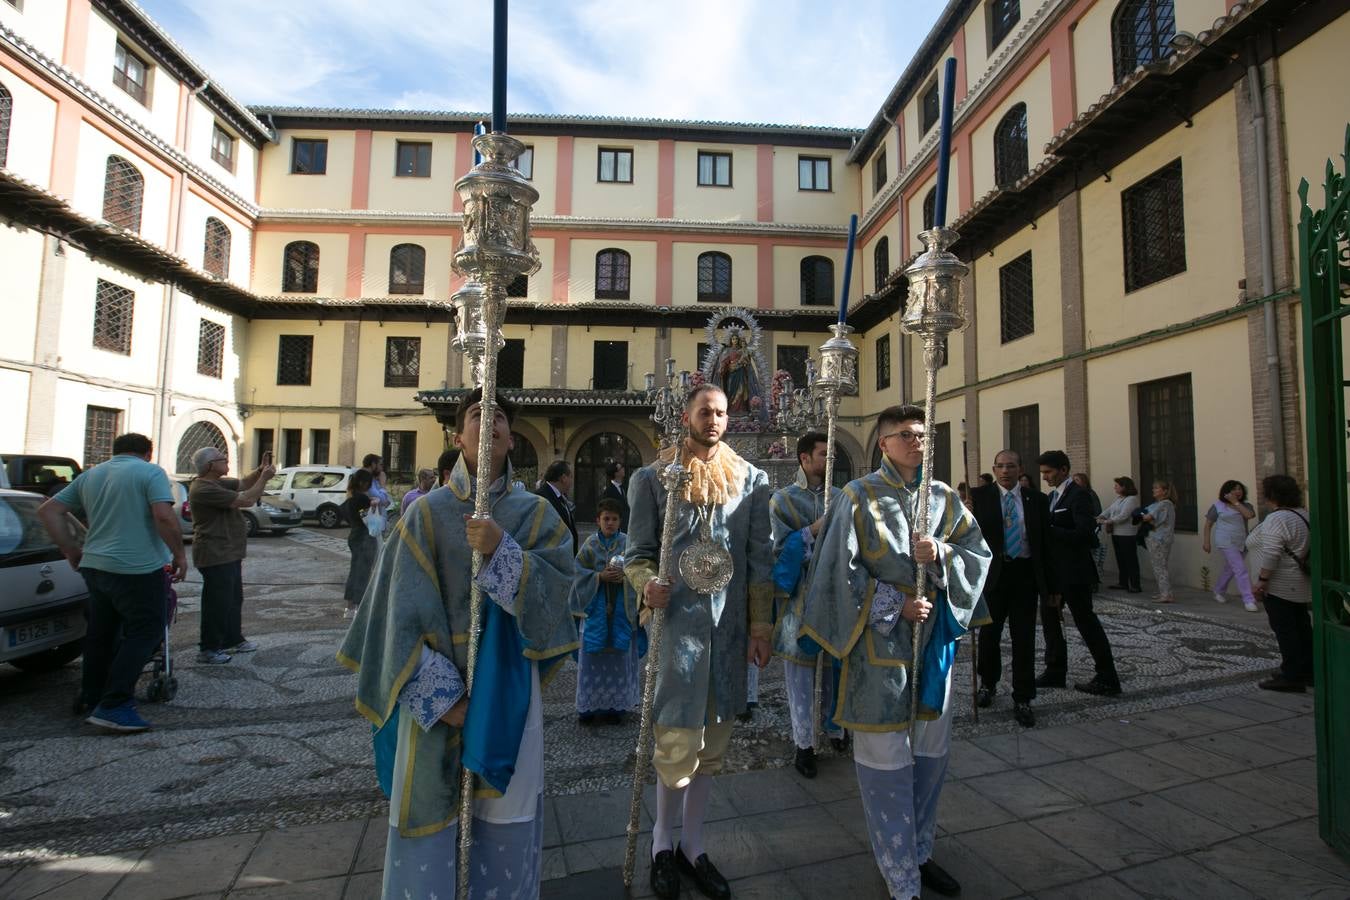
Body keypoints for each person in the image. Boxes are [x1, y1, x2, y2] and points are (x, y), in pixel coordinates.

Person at [337, 388, 576, 899]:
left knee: (507, 816)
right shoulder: (424, 515)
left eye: (499, 417)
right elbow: (392, 620)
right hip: (436, 704)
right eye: (475, 413)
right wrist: (448, 701)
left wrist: (501, 550)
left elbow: (559, 595)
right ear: (457, 435)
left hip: (510, 700)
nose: (487, 422)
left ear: (512, 438)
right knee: (428, 817)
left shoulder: (538, 517)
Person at [801, 404, 991, 900]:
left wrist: (944, 556)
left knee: (930, 754)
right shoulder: (857, 497)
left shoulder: (946, 499)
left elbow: (978, 552)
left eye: (921, 434)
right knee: (886, 758)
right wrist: (893, 603)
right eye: (903, 434)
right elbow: (833, 573)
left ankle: (921, 851)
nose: (914, 442)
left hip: (933, 649)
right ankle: (898, 868)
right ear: (882, 444)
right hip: (877, 648)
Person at [625, 383, 773, 900]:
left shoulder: (751, 481)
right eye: (705, 411)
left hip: (728, 631)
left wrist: (760, 627)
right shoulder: (653, 480)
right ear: (686, 416)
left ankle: (694, 844)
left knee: (713, 744)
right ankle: (661, 845)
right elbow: (636, 552)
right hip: (678, 630)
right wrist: (646, 583)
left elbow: (759, 559)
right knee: (677, 740)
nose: (714, 420)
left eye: (722, 413)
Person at [36, 433, 186, 734]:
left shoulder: (92, 474)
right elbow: (164, 516)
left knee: (102, 634)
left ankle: (92, 696)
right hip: (137, 567)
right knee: (145, 631)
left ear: (115, 451)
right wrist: (180, 554)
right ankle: (115, 705)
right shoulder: (150, 472)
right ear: (148, 453)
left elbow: (48, 510)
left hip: (95, 565)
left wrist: (70, 549)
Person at [769, 430, 844, 778]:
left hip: (836, 599)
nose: (830, 461)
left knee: (834, 671)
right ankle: (804, 743)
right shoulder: (782, 501)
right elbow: (779, 552)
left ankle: (836, 728)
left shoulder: (843, 498)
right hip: (799, 602)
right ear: (804, 459)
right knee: (800, 678)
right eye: (823, 455)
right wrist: (811, 532)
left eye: (832, 456)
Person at [972, 450, 1049, 728]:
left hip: (1024, 576)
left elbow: (1044, 544)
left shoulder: (1037, 500)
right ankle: (987, 684)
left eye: (1011, 466)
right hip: (994, 576)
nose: (1005, 471)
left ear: (1020, 469)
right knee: (990, 635)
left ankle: (1023, 696)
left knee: (1024, 638)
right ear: (993, 469)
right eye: (1000, 466)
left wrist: (1050, 586)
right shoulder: (979, 498)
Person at [1037, 450, 1122, 696]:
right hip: (1055, 573)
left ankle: (1107, 675)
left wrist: (1049, 530)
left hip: (1075, 572)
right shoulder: (1053, 497)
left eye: (1049, 472)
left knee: (1086, 623)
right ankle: (1055, 670)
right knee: (1051, 622)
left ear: (1063, 470)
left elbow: (1085, 534)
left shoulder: (1079, 496)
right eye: (1043, 473)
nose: (1045, 477)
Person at [187, 446, 275, 664]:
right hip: (215, 553)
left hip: (229, 552)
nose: (226, 461)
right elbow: (246, 499)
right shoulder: (203, 489)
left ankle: (233, 639)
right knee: (217, 602)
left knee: (233, 599)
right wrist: (264, 478)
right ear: (210, 466)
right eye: (222, 459)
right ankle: (208, 648)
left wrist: (259, 470)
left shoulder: (217, 482)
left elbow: (244, 484)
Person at [572, 497, 641, 725]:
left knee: (619, 661)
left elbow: (638, 570)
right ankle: (589, 708)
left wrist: (627, 577)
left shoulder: (628, 544)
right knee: (592, 661)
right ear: (598, 520)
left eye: (614, 519)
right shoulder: (590, 544)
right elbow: (578, 571)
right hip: (596, 610)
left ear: (620, 521)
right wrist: (598, 576)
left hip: (621, 609)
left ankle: (615, 706)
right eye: (605, 519)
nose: (609, 523)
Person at [1245, 474, 1312, 692]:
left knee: (1286, 630)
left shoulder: (1278, 518)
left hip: (1280, 584)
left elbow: (1272, 552)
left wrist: (1262, 581)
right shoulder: (1302, 514)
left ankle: (1292, 676)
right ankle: (1306, 670)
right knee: (1301, 627)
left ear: (1271, 494)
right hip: (1298, 583)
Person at [1203, 479, 1257, 611]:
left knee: (1231, 568)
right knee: (1240, 569)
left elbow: (1249, 515)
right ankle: (1249, 600)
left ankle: (1218, 590)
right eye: (1234, 489)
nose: (1237, 491)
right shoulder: (1218, 506)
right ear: (1226, 492)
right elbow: (1208, 524)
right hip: (1225, 541)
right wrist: (1206, 542)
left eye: (1239, 489)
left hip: (1242, 541)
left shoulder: (1246, 506)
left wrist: (1236, 503)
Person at [341, 469, 378, 618]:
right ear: (363, 483)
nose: (370, 486)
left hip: (354, 535)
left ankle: (349, 607)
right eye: (369, 483)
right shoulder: (362, 499)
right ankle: (359, 607)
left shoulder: (349, 498)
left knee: (355, 570)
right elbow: (367, 517)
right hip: (365, 536)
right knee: (363, 572)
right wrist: (374, 503)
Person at [1097, 477, 1142, 593]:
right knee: (1121, 559)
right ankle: (1123, 582)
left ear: (1124, 487)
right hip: (1116, 533)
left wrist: (1107, 521)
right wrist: (1100, 517)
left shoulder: (1132, 500)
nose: (1115, 487)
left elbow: (1124, 515)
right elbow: (1109, 510)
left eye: (1117, 485)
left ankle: (1135, 584)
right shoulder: (1119, 499)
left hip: (1127, 534)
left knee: (1130, 559)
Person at [1139, 481, 1177, 604]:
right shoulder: (1159, 504)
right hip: (1158, 538)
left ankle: (1166, 594)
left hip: (1159, 539)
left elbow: (1150, 518)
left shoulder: (1165, 504)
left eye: (1156, 488)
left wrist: (1140, 515)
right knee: (1160, 566)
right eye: (1153, 488)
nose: (1153, 490)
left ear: (1165, 491)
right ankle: (1164, 592)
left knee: (1159, 566)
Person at [536, 459, 579, 555]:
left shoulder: (560, 497)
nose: (572, 481)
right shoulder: (541, 497)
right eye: (571, 477)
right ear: (563, 478)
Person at [1073, 473, 1107, 583]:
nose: (1075, 482)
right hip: (1078, 530)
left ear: (1084, 482)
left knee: (1093, 557)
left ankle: (1094, 582)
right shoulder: (1074, 494)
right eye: (1073, 480)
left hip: (1091, 529)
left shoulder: (1090, 494)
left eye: (1077, 480)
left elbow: (1096, 511)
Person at [362, 453, 390, 533]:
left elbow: (386, 501)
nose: (382, 468)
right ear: (373, 465)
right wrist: (383, 484)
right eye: (380, 465)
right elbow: (383, 499)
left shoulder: (373, 478)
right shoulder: (364, 478)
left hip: (377, 521)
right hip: (369, 523)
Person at [601, 459, 629, 531]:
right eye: (621, 468)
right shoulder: (608, 491)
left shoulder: (624, 488)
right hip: (615, 528)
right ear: (616, 473)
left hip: (625, 526)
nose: (623, 469)